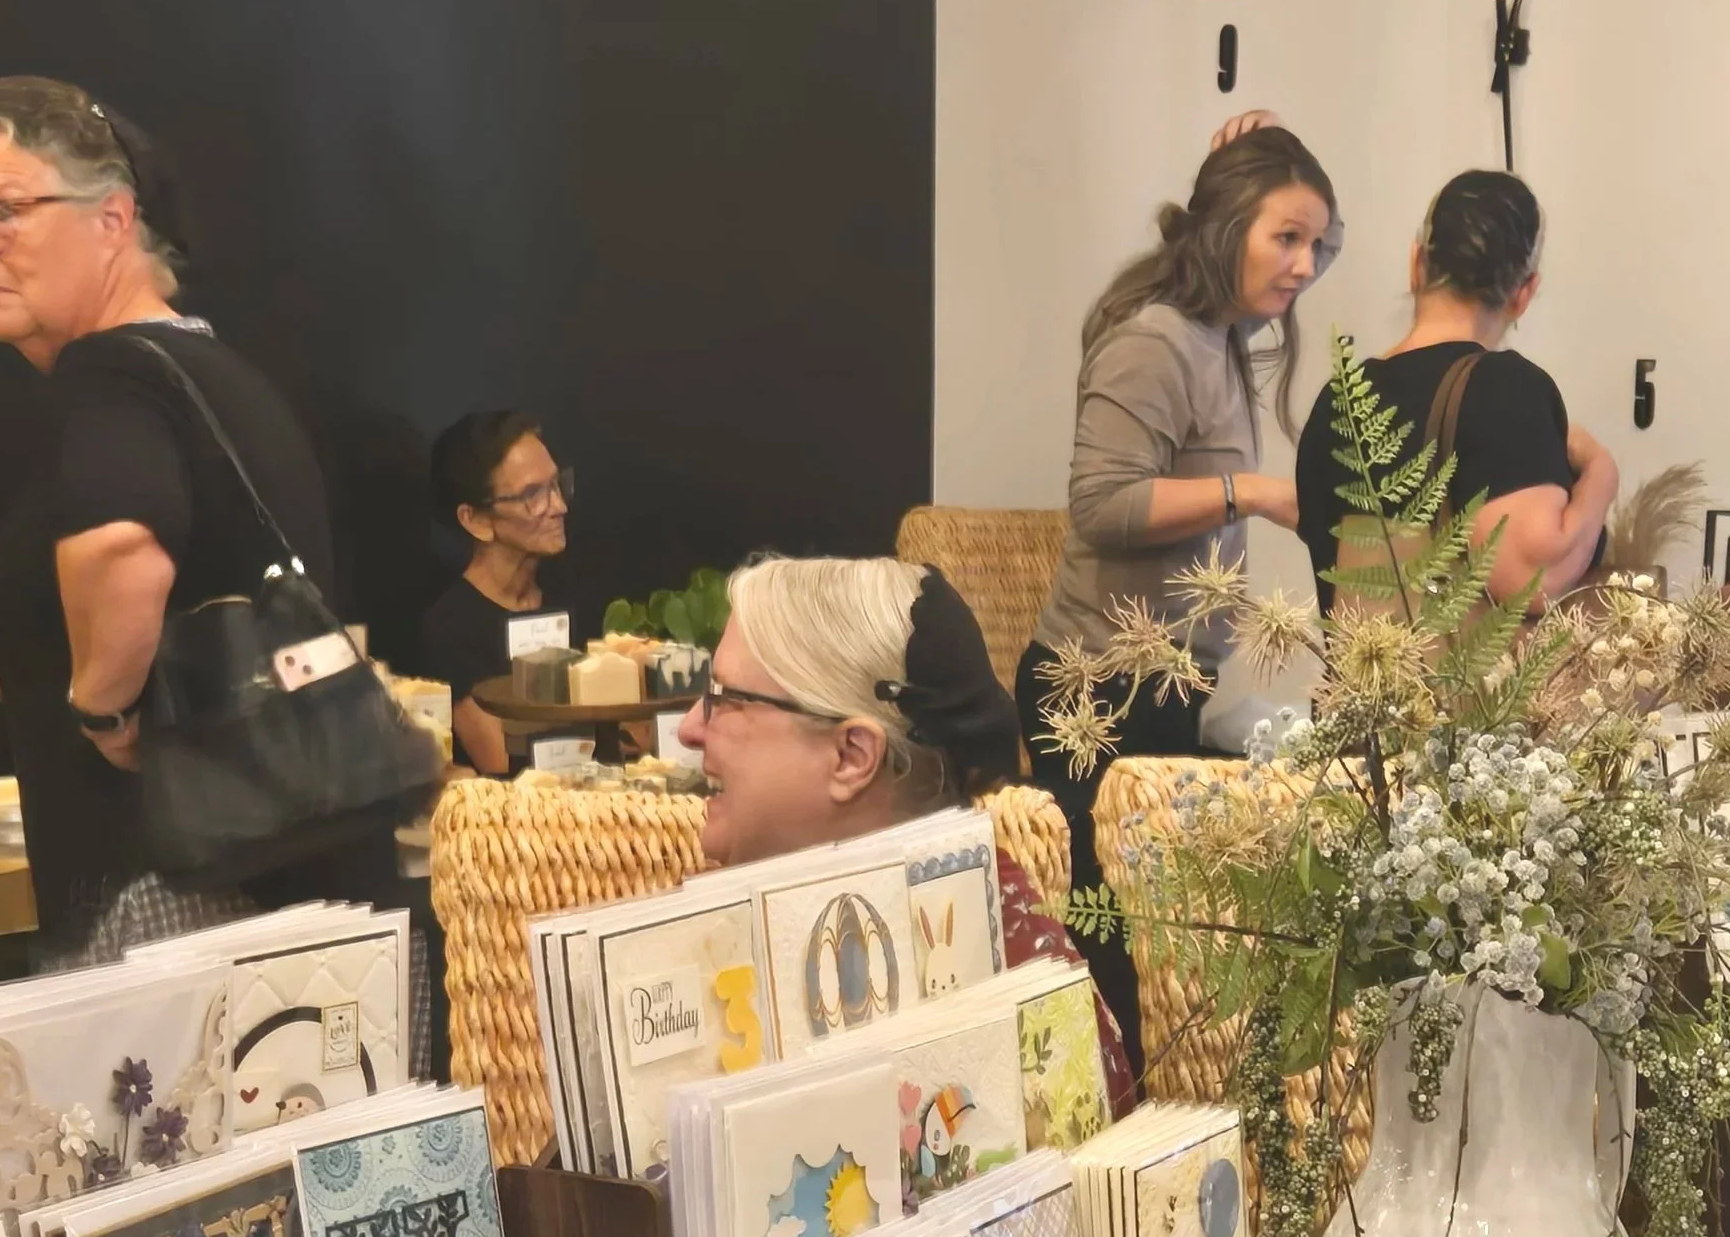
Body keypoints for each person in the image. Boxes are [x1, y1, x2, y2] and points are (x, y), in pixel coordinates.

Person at [0, 73, 390, 957]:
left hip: (176, 912)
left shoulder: (110, 374)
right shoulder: (213, 376)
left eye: (2, 212)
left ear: (113, 218)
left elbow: (122, 549)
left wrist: (104, 715)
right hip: (305, 898)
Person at [1019, 119, 1340, 1057]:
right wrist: (1254, 492)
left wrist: (1267, 148)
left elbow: (1322, 220)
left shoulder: (1219, 337)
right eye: (1285, 237)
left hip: (1162, 691)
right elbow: (1100, 504)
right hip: (1094, 697)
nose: (1307, 266)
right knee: (1108, 966)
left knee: (1146, 958)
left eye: (1315, 244)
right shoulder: (1155, 342)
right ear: (1226, 224)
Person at [676, 551, 1132, 1111]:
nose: (688, 729)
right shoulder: (726, 931)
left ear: (851, 756)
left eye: (725, 700)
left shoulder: (1011, 991)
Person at [1294, 170, 1616, 607]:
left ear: (1416, 265)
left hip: (1354, 674)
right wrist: (1601, 472)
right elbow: (1534, 578)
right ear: (1523, 293)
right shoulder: (1506, 391)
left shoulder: (1338, 400)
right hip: (1465, 677)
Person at [420, 412, 573, 775]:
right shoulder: (451, 627)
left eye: (557, 485)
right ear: (476, 520)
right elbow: (502, 762)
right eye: (532, 495)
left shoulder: (573, 596)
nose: (560, 507)